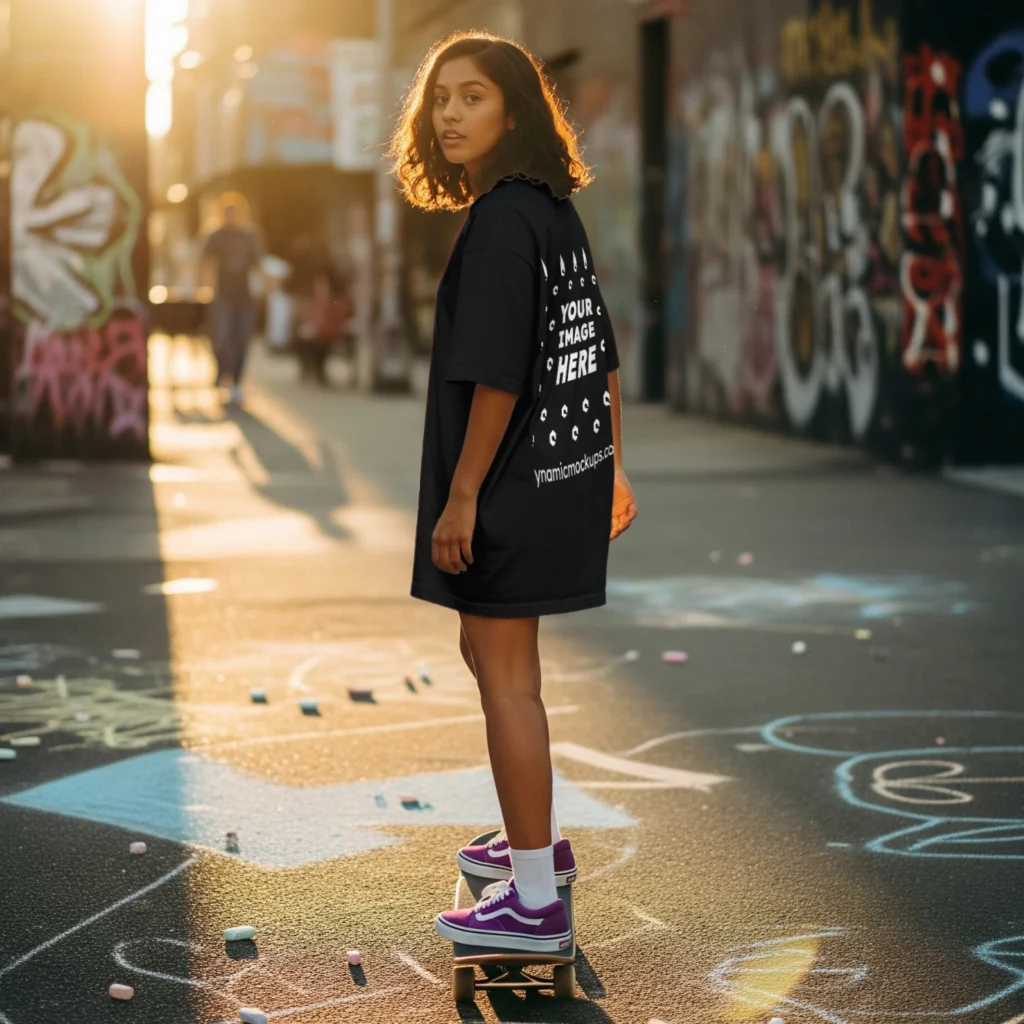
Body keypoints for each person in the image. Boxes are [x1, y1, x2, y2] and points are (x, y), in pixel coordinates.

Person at [390, 32, 638, 953]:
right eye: (441, 99)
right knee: (497, 660)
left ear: (514, 111)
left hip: (510, 479)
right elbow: (598, 346)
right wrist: (615, 461)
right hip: (559, 473)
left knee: (506, 681)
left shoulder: (502, 218)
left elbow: (496, 374)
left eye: (473, 98)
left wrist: (461, 499)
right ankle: (536, 847)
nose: (450, 115)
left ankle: (534, 897)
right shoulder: (550, 211)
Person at [199, 193, 264, 403]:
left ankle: (236, 381)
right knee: (222, 337)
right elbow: (205, 262)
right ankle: (222, 375)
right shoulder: (216, 235)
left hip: (244, 296)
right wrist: (205, 287)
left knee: (242, 339)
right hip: (222, 295)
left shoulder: (248, 236)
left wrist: (264, 287)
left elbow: (258, 265)